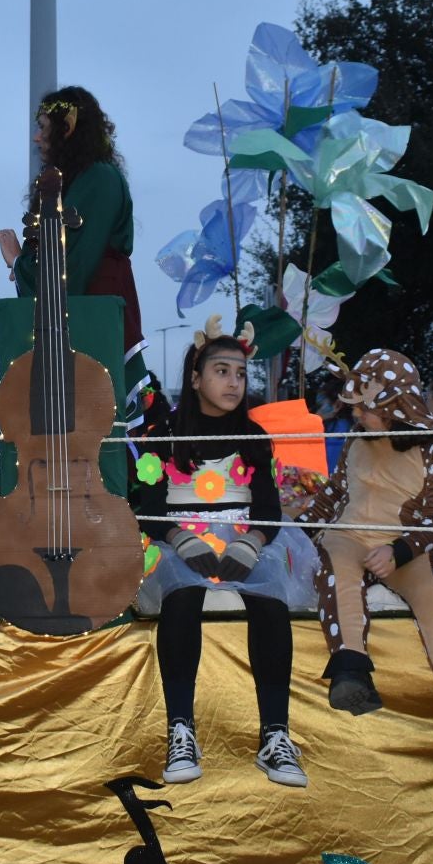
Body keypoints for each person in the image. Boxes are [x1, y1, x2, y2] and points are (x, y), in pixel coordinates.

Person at [129, 317, 309, 788]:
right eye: (221, 371)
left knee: (270, 598)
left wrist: (250, 543)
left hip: (248, 536)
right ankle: (181, 729)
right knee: (182, 595)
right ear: (195, 377)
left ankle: (276, 734)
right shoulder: (162, 433)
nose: (234, 382)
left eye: (241, 374)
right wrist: (182, 539)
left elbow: (269, 509)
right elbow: (148, 509)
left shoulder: (255, 436)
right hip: (175, 537)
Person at [301, 348, 433, 763]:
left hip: (408, 545)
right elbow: (334, 495)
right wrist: (297, 531)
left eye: (365, 409)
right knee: (333, 560)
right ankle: (351, 667)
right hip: (349, 536)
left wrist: (401, 550)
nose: (357, 417)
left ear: (393, 405)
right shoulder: (357, 439)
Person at [0, 86, 144, 351]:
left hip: (94, 318)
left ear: (67, 128)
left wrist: (19, 263)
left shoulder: (99, 178)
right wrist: (26, 265)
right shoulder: (85, 179)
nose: (36, 137)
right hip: (87, 314)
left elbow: (70, 264)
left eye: (42, 127)